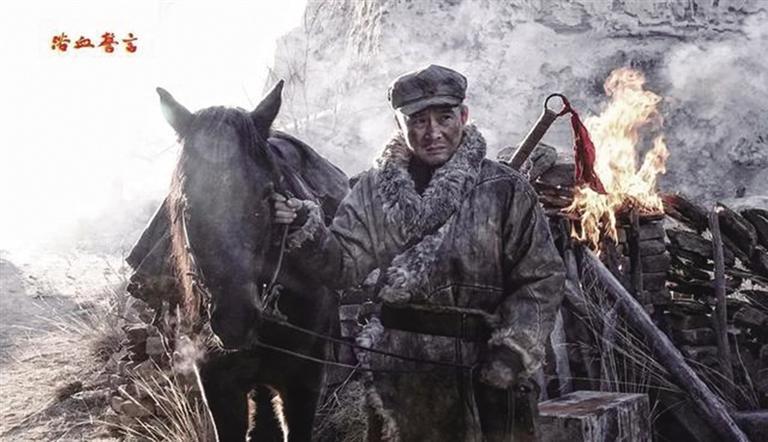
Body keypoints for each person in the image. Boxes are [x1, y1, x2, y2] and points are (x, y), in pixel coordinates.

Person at [273, 64, 565, 441]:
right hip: (400, 381)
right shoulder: (372, 192)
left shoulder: (503, 189)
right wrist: (305, 228)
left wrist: (512, 352)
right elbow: (342, 266)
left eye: (444, 118)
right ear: (399, 124)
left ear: (464, 116)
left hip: (488, 375)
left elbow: (541, 278)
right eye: (418, 121)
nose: (432, 133)